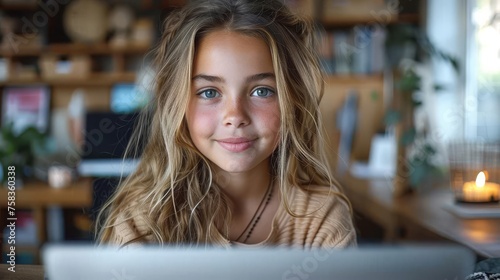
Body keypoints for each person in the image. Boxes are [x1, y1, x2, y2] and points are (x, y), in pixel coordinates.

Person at [96, 0, 356, 248]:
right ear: (177, 104)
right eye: (209, 92)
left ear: (293, 100)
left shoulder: (321, 220)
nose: (235, 116)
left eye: (262, 91)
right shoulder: (144, 218)